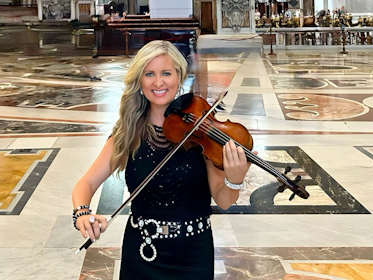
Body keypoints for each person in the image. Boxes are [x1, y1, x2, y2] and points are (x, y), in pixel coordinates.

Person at [71, 40, 252, 279]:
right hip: (143, 252)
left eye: (166, 73)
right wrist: (83, 213)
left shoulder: (200, 132)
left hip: (194, 254)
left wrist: (235, 179)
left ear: (179, 75)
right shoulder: (129, 133)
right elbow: (86, 184)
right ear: (140, 80)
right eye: (149, 74)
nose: (158, 82)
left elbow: (224, 199)